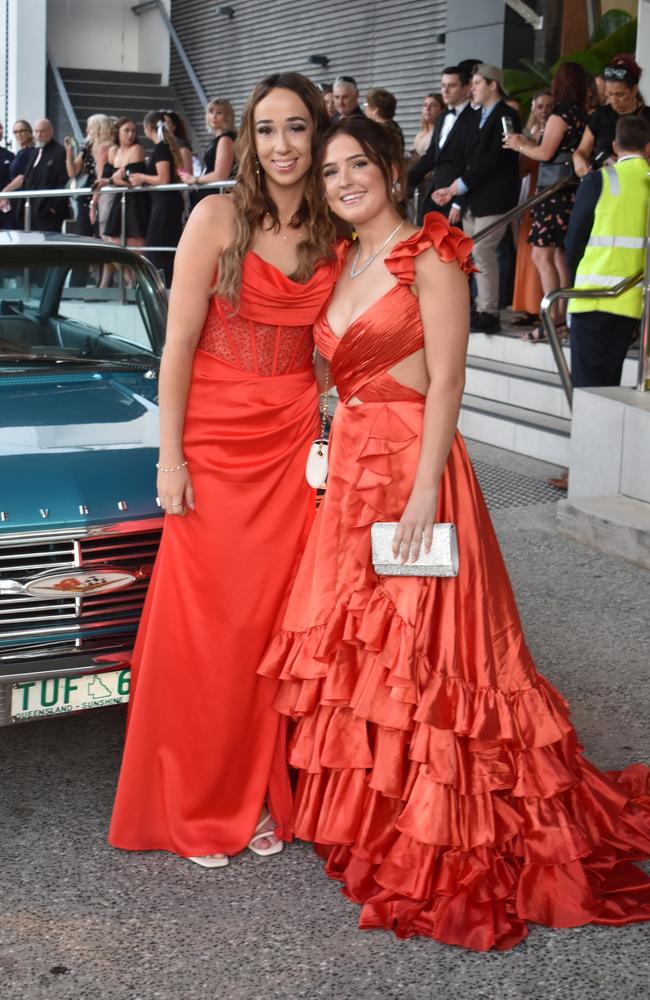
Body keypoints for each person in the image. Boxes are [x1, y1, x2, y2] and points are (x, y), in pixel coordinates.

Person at [258, 114, 650, 953]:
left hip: (413, 473)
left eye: (357, 164)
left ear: (392, 165)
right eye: (330, 173)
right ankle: (381, 812)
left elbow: (447, 384)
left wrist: (424, 492)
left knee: (430, 656)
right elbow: (330, 373)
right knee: (363, 654)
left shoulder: (432, 254)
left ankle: (445, 821)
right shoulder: (342, 260)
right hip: (351, 473)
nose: (344, 182)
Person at [108, 72, 339, 868]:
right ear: (247, 136)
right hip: (213, 439)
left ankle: (260, 792)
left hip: (289, 441)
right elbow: (174, 347)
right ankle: (200, 800)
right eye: (267, 128)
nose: (282, 145)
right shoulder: (215, 214)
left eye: (298, 128)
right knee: (208, 627)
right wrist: (169, 457)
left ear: (317, 135)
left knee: (273, 625)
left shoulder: (332, 225)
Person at [504, 62, 589, 342]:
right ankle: (561, 318)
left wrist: (519, 144)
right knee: (559, 256)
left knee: (543, 255)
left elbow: (544, 151)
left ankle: (551, 319)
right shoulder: (583, 114)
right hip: (570, 190)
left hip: (553, 192)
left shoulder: (561, 112)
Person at [434, 64, 521, 332]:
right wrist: (458, 196)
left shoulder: (506, 115)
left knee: (483, 249)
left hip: (495, 196)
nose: (472, 88)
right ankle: (479, 306)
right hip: (473, 197)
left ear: (493, 85)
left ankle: (489, 311)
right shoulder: (476, 116)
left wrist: (457, 188)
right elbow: (468, 159)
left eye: (478, 83)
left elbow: (496, 157)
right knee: (472, 253)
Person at [566, 115, 650, 389]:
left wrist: (572, 280)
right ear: (648, 148)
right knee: (609, 387)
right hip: (630, 304)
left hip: (591, 297)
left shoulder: (599, 180)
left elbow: (574, 241)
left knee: (587, 389)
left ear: (614, 146)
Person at [407, 66, 474, 225]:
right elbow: (431, 156)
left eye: (452, 86)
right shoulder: (443, 117)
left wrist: (459, 201)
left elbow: (472, 163)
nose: (446, 90)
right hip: (434, 194)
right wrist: (405, 180)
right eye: (443, 86)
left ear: (466, 88)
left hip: (456, 196)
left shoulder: (474, 118)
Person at [126, 112, 185, 287]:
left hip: (165, 204)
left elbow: (163, 178)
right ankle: (166, 286)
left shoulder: (161, 148)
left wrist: (142, 177)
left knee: (157, 247)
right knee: (162, 247)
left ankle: (163, 288)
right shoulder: (164, 147)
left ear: (147, 128)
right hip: (164, 203)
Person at [511, 90, 553, 325]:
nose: (544, 111)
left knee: (541, 253)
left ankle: (540, 307)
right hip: (529, 193)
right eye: (539, 107)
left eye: (549, 106)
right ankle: (527, 306)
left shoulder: (553, 132)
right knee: (526, 251)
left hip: (545, 192)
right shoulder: (530, 133)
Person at [573, 55, 650, 177]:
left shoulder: (647, 116)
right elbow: (581, 151)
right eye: (609, 94)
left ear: (634, 90)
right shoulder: (600, 115)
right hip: (605, 182)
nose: (614, 100)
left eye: (620, 95)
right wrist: (580, 163)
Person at [100, 117, 149, 249]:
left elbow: (132, 181)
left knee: (135, 243)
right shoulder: (112, 151)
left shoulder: (137, 149)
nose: (130, 134)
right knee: (112, 241)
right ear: (117, 132)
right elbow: (105, 177)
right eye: (126, 130)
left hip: (135, 201)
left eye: (133, 131)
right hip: (118, 198)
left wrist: (113, 179)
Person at [10, 119, 67, 232]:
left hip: (48, 212)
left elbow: (64, 181)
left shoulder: (59, 152)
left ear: (51, 132)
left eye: (42, 131)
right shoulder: (36, 151)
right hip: (30, 210)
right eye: (36, 131)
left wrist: (54, 207)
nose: (39, 135)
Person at [65, 114, 115, 236]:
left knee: (101, 235)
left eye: (90, 127)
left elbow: (101, 175)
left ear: (99, 129)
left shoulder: (109, 147)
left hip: (102, 195)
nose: (87, 130)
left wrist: (94, 202)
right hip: (86, 195)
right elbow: (73, 172)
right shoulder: (88, 146)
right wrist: (69, 152)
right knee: (83, 235)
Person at [179, 97, 236, 194]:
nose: (214, 117)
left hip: (217, 195)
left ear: (227, 116)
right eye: (211, 112)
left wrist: (194, 179)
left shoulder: (225, 139)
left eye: (219, 113)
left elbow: (220, 174)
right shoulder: (220, 139)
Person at [0, 120, 33, 228]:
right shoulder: (19, 153)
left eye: (22, 131)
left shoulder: (31, 153)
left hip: (13, 203)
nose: (19, 134)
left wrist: (4, 194)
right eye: (16, 132)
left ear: (29, 132)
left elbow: (21, 178)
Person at [364, 88, 405, 157]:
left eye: (367, 105)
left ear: (375, 110)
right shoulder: (394, 127)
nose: (365, 108)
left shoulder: (378, 132)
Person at [410, 93, 444, 159]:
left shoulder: (443, 134)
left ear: (442, 110)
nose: (428, 108)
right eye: (425, 105)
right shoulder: (419, 136)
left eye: (433, 105)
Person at [163, 110, 194, 174]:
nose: (163, 125)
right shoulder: (164, 144)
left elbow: (187, 171)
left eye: (166, 122)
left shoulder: (181, 145)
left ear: (174, 126)